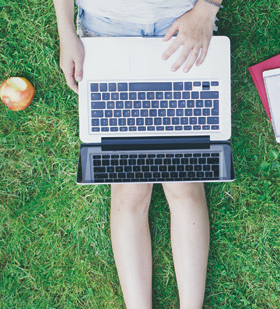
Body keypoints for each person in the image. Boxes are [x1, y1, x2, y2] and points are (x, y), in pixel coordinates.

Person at [53, 1, 223, 308]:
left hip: (183, 25)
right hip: (107, 29)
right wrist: (66, 33)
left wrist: (206, 10)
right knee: (129, 189)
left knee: (185, 184)